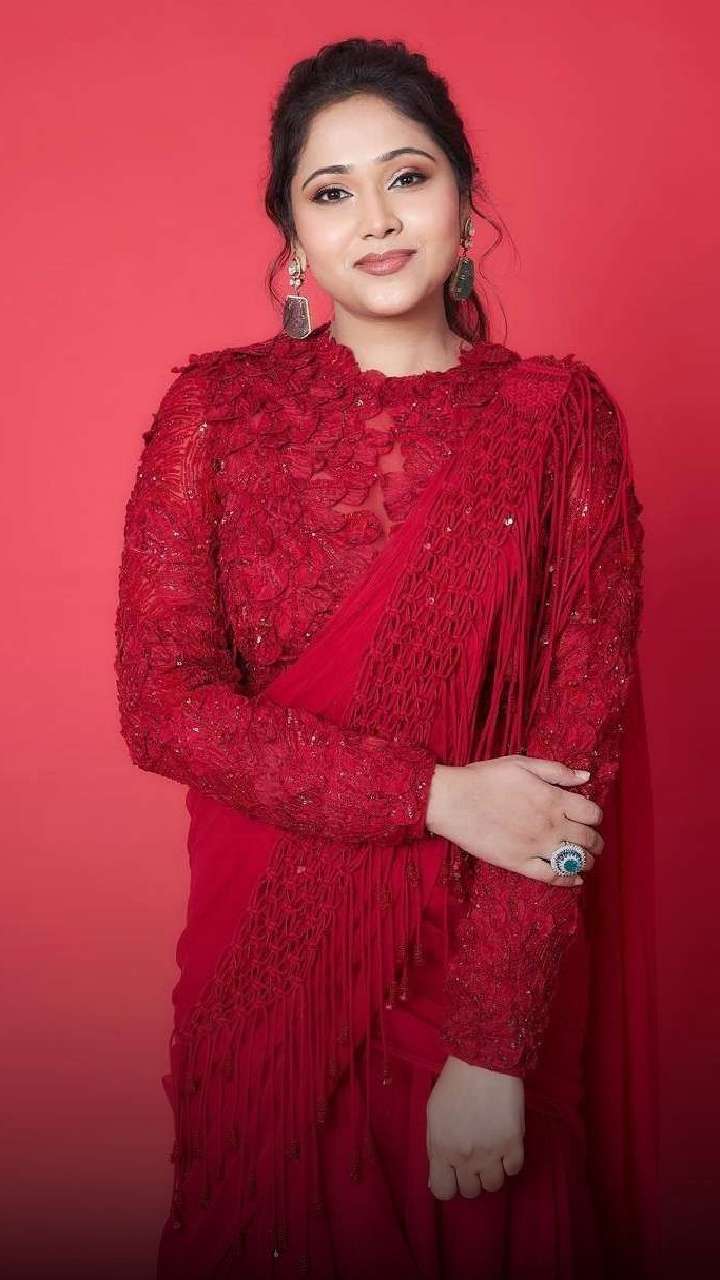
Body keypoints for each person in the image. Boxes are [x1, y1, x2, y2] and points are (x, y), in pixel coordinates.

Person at [114, 37, 659, 1280]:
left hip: (475, 970)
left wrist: (495, 1043)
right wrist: (433, 794)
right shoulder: (215, 413)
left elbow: (577, 760)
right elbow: (163, 707)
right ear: (292, 237)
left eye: (407, 176)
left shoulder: (559, 423)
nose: (375, 218)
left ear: (465, 200)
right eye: (332, 189)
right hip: (266, 977)